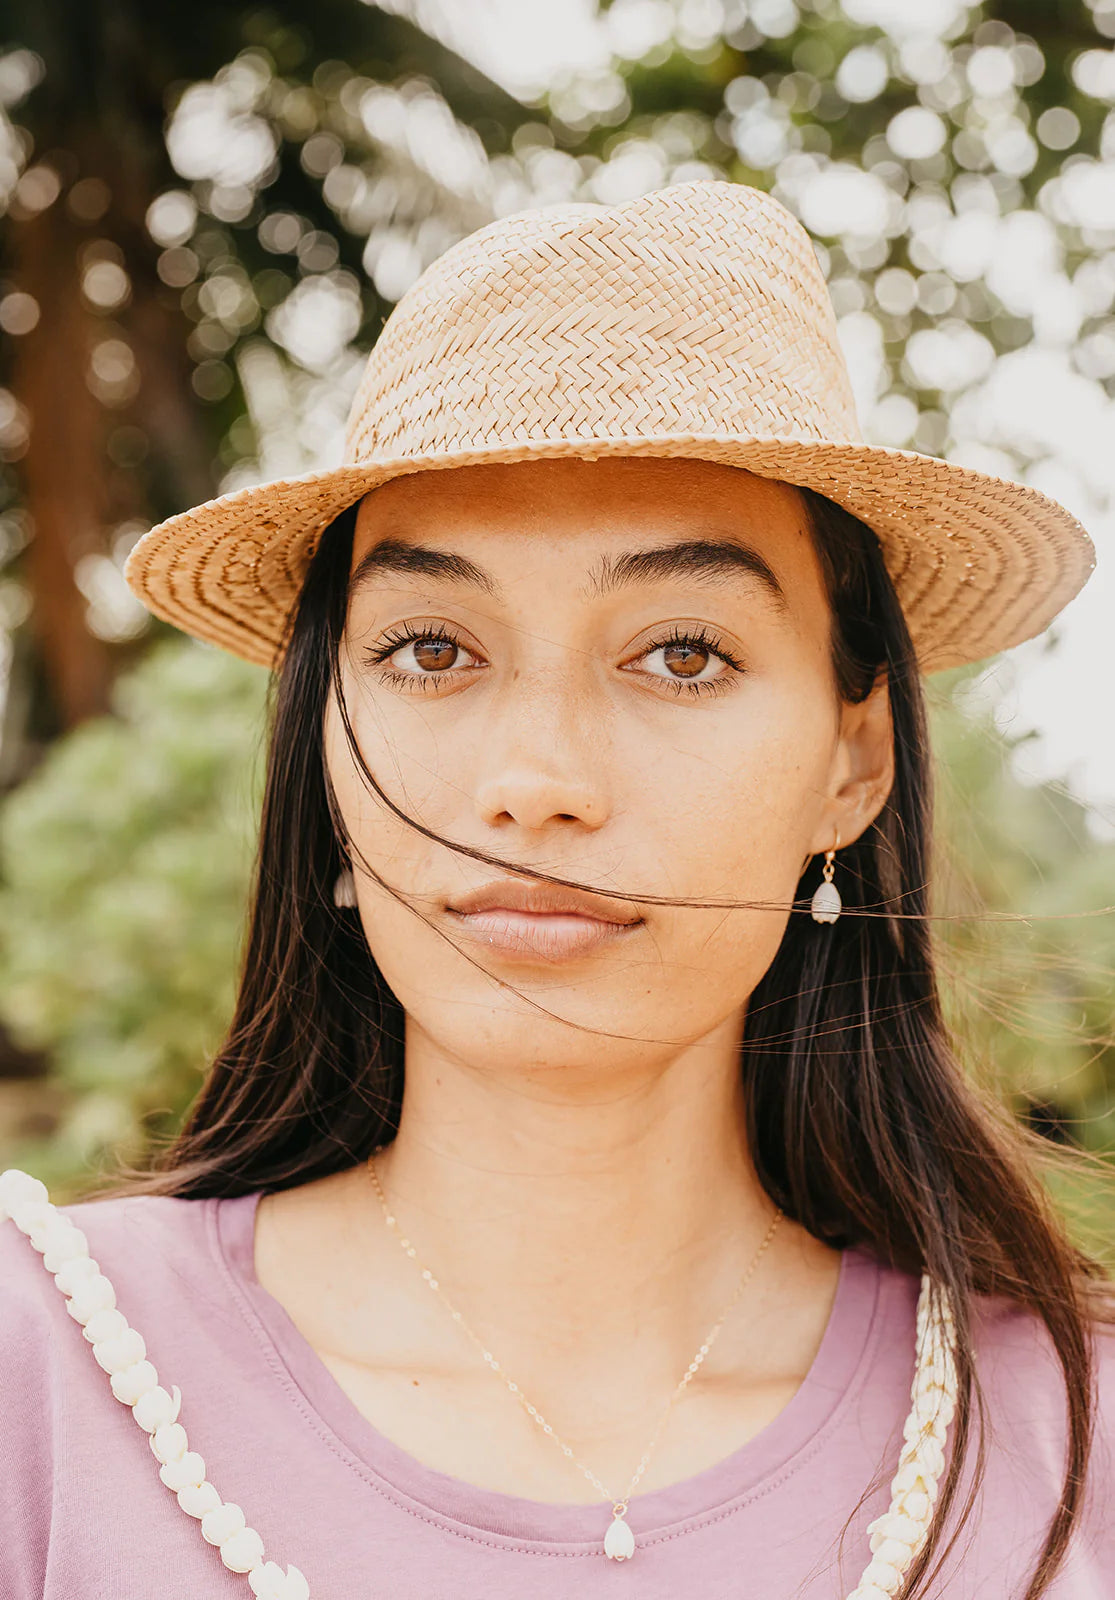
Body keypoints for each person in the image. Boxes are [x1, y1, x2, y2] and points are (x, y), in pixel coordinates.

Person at [1, 181, 1112, 1600]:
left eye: (683, 655)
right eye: (430, 651)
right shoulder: (42, 1366)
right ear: (320, 745)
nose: (538, 782)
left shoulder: (1074, 1428)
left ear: (856, 761)